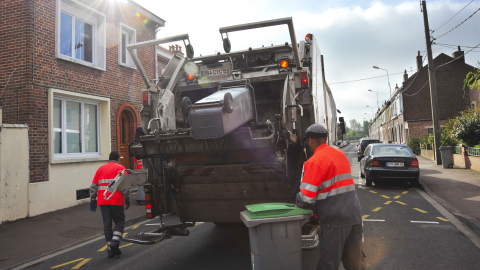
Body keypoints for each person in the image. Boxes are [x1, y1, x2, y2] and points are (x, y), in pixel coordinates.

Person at [296, 124, 365, 270]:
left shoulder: (315, 161)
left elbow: (305, 199)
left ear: (310, 141)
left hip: (335, 221)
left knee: (328, 265)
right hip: (354, 216)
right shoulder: (340, 154)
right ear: (326, 139)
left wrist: (295, 201)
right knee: (354, 264)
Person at [89, 151, 131, 258]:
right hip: (116, 200)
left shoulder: (100, 169)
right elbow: (125, 186)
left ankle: (110, 250)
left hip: (103, 201)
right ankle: (115, 243)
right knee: (120, 221)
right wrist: (127, 198)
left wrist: (93, 199)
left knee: (107, 225)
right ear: (117, 159)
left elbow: (93, 187)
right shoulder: (121, 168)